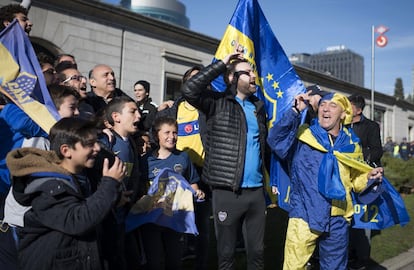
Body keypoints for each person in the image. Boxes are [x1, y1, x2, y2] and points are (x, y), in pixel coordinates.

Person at [267, 91, 384, 270]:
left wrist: (368, 177)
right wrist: (295, 112)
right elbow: (275, 140)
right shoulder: (303, 135)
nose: (325, 109)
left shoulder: (352, 144)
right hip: (304, 214)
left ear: (344, 114)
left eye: (332, 105)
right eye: (322, 105)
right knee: (293, 266)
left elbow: (355, 180)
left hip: (338, 216)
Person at [182, 52, 269, 270]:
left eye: (254, 72)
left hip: (256, 192)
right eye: (247, 73)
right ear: (232, 78)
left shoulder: (258, 108)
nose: (253, 77)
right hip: (226, 191)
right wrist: (222, 63)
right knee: (226, 254)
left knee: (257, 253)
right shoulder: (216, 103)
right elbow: (189, 90)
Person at [5, 117, 126, 270]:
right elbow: (77, 220)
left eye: (97, 142)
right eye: (89, 144)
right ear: (66, 150)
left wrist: (113, 198)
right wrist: (109, 183)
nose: (97, 148)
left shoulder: (85, 176)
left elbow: (88, 207)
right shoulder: (47, 185)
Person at [157, 65, 210, 270]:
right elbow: (152, 124)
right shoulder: (174, 109)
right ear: (186, 84)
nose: (200, 82)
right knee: (177, 222)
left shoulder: (209, 107)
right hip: (179, 172)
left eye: (203, 78)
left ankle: (201, 264)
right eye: (195, 79)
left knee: (203, 225)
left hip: (204, 174)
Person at [139, 116, 205, 270]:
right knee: (154, 261)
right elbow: (141, 188)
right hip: (152, 220)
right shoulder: (145, 161)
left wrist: (198, 192)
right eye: (167, 133)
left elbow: (192, 182)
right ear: (156, 135)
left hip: (175, 219)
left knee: (174, 261)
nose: (172, 137)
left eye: (175, 132)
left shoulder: (183, 157)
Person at [93, 96, 143, 270]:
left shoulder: (130, 142)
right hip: (107, 216)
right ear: (116, 117)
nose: (139, 116)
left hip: (125, 215)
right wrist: (114, 198)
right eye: (132, 111)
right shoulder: (105, 141)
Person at [347, 94, 384, 270]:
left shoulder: (371, 126)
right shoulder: (342, 125)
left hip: (365, 179)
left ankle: (362, 259)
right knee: (347, 217)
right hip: (347, 179)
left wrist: (361, 162)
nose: (345, 107)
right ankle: (349, 254)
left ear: (359, 110)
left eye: (349, 105)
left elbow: (377, 150)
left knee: (363, 219)